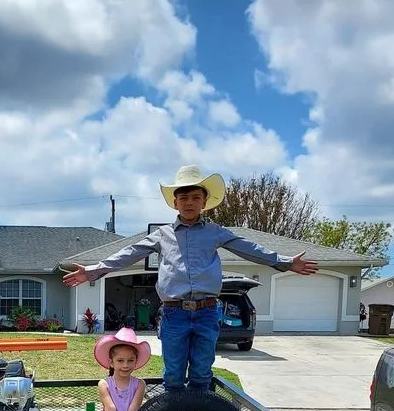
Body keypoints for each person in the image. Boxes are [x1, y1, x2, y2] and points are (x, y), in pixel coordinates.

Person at [64, 165, 319, 391]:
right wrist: (92, 271)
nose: (189, 202)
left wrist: (285, 262)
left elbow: (250, 248)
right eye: (183, 197)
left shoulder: (215, 233)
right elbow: (128, 254)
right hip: (174, 314)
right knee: (173, 376)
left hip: (207, 312)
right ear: (175, 203)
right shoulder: (162, 235)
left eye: (195, 197)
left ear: (204, 202)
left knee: (201, 374)